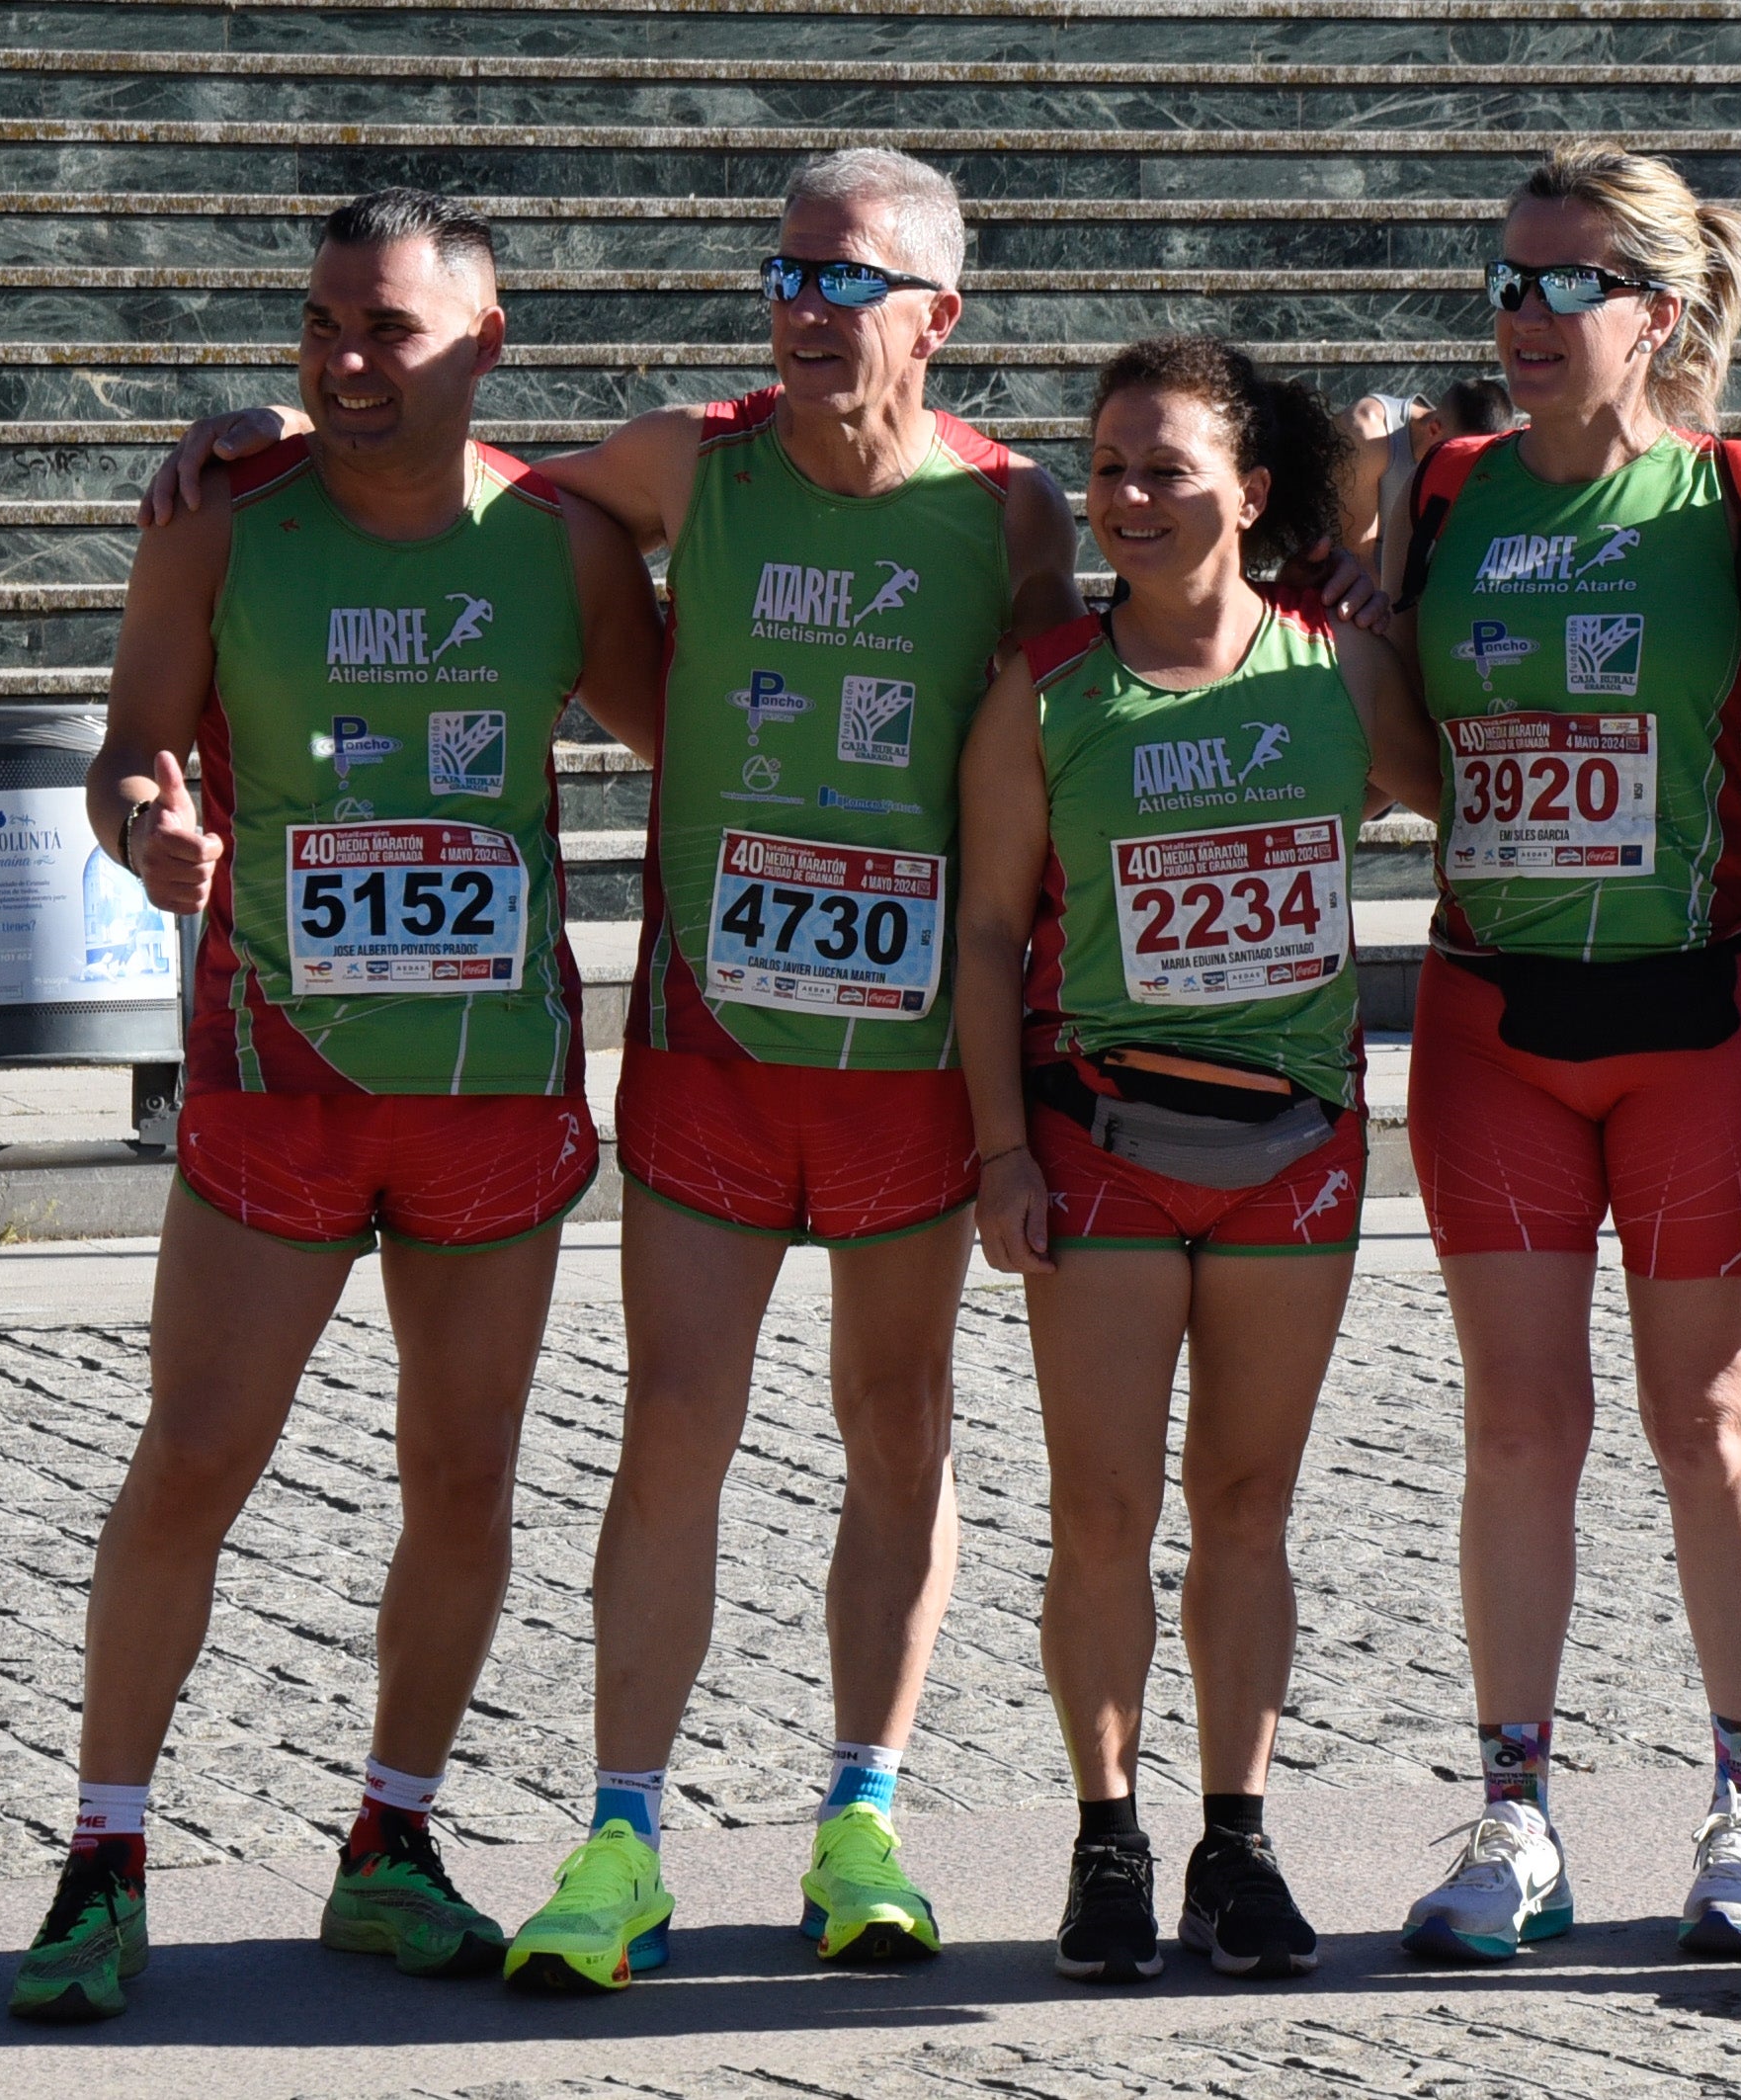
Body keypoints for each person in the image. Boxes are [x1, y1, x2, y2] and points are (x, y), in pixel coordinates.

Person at [145, 147, 1083, 1989]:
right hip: (711, 1048)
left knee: (895, 1426)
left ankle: (860, 1815)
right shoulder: (684, 462)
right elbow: (428, 464)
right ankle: (624, 1836)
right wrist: (257, 418)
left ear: (936, 319)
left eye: (849, 282)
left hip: (905, 1059)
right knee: (674, 1427)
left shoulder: (1020, 512)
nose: (806, 305)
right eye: (787, 272)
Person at [13, 189, 662, 2022]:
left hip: (489, 1093)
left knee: (461, 1478)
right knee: (198, 1455)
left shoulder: (561, 545)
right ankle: (104, 1858)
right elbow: (129, 748)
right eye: (320, 328)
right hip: (273, 1080)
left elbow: (703, 746)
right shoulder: (222, 528)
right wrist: (151, 826)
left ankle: (392, 1844)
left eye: (384, 329)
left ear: (484, 341)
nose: (343, 359)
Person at [1371, 144, 1741, 1967]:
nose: (1524, 315)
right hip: (1493, 1016)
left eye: (1566, 285)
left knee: (1707, 1421)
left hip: (1698, 1010)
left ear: (1658, 308)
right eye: (1507, 279)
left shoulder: (1740, 494)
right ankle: (1514, 1814)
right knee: (1517, 1426)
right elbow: (1409, 774)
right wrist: (1377, 573)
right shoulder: (1453, 482)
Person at [953, 337, 1441, 1985]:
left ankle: (1236, 1842)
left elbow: (1455, 801)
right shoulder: (1043, 690)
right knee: (1099, 1513)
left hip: (1292, 1150)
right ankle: (1105, 1842)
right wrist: (998, 1153)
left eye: (1165, 470)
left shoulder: (1337, 675)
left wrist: (1388, 577)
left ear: (1246, 488)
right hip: (1100, 1141)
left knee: (1245, 1509)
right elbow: (977, 936)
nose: (1128, 501)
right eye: (1106, 471)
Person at [1339, 376, 1517, 566]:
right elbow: (1358, 560)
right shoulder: (1368, 434)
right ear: (1433, 429)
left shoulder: (1489, 456)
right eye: (1462, 453)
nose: (1470, 468)